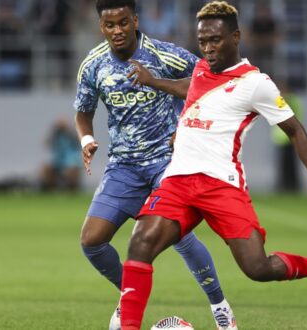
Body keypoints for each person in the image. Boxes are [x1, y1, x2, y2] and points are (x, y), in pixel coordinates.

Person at [119, 2, 307, 329]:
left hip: (222, 185)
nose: (208, 48)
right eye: (202, 41)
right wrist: (152, 80)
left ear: (236, 37)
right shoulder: (203, 68)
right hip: (179, 181)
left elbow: (295, 131)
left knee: (258, 268)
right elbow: (189, 86)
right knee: (140, 241)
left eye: (215, 40)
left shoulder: (256, 84)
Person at [74, 1, 235, 329]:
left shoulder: (165, 55)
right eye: (109, 25)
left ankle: (220, 306)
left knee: (181, 237)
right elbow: (83, 111)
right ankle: (128, 295)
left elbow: (204, 80)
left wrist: (186, 127)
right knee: (91, 241)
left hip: (168, 163)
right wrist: (85, 139)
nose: (117, 31)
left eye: (123, 22)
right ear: (100, 27)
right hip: (123, 168)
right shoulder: (93, 65)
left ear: (135, 20)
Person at [271, 80, 303, 192]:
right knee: (283, 165)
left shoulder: (293, 100)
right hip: (281, 139)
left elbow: (293, 114)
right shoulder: (279, 100)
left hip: (291, 137)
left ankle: (293, 186)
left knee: (292, 165)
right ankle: (283, 186)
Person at [39, 117, 81, 192]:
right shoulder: (56, 136)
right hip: (58, 162)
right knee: (46, 169)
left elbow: (80, 141)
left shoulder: (71, 136)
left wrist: (70, 130)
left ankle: (72, 190)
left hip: (70, 162)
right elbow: (46, 143)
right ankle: (48, 189)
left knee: (73, 171)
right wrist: (54, 131)